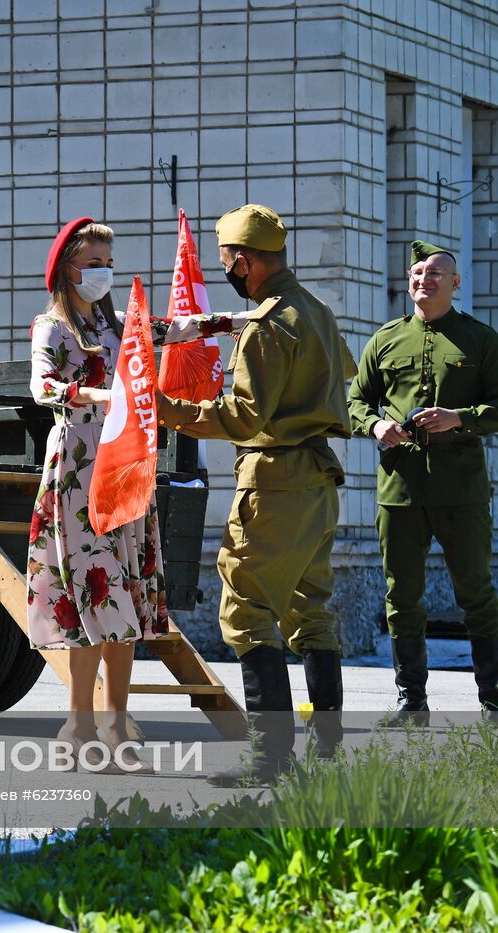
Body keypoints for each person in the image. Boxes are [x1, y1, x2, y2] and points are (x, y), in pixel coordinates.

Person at [29, 218, 248, 771]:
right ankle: (83, 724)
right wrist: (101, 392)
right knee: (91, 599)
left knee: (119, 597)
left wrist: (233, 321)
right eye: (92, 263)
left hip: (125, 470)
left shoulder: (122, 326)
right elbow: (42, 387)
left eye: (108, 261)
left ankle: (107, 725)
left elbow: (174, 329)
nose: (102, 272)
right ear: (66, 270)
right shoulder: (50, 327)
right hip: (77, 475)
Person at [156, 204, 356, 785]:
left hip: (274, 480)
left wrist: (169, 411)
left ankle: (269, 761)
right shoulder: (312, 311)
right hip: (318, 478)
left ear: (242, 260)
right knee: (310, 612)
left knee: (246, 611)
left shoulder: (269, 325)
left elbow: (243, 418)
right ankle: (326, 755)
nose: (226, 268)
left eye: (226, 260)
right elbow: (335, 368)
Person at [348, 239, 498, 716]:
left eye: (435, 274)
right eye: (416, 274)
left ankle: (492, 699)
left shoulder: (480, 339)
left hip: (461, 490)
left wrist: (461, 418)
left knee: (476, 592)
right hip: (401, 489)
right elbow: (354, 402)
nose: (423, 281)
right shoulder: (386, 339)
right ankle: (411, 699)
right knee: (402, 595)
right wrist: (376, 425)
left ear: (455, 283)